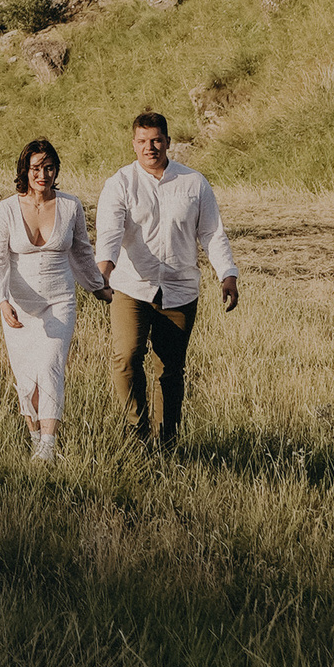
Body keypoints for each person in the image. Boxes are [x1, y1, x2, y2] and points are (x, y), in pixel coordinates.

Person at [94, 108, 238, 453]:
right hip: (132, 285)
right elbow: (110, 232)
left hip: (180, 287)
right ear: (133, 144)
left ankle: (166, 443)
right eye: (143, 141)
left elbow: (212, 233)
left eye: (157, 140)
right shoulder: (120, 184)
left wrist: (227, 274)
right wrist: (104, 270)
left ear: (168, 142)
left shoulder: (193, 183)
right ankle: (136, 430)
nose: (150, 147)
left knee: (170, 369)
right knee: (127, 357)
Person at [0, 137, 108, 463]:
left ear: (56, 170)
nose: (43, 174)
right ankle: (36, 439)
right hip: (19, 306)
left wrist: (98, 287)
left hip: (59, 300)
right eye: (36, 168)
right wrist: (1, 300)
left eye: (49, 168)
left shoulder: (69, 206)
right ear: (26, 170)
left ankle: (49, 446)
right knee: (26, 375)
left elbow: (81, 252)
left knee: (50, 365)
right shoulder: (7, 209)